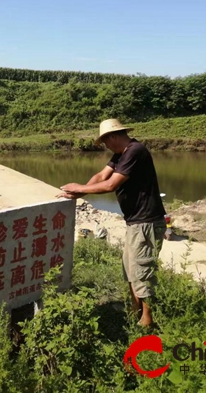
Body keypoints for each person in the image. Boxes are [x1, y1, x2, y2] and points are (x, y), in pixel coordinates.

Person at [58, 119, 166, 327]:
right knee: (130, 269)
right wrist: (77, 192)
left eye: (106, 142)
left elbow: (110, 184)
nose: (106, 146)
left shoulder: (135, 151)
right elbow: (101, 175)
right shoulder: (121, 154)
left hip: (146, 222)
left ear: (113, 137)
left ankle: (147, 321)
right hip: (135, 222)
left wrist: (79, 189)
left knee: (142, 271)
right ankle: (135, 310)